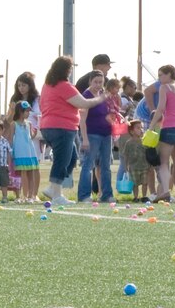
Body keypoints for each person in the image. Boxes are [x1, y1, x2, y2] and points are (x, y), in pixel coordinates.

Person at [37, 56, 107, 203]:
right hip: (62, 127)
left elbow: (44, 104)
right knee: (62, 160)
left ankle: (54, 189)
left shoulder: (47, 85)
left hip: (48, 126)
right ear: (66, 70)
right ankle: (55, 193)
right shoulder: (64, 85)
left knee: (71, 158)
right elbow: (83, 103)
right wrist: (100, 99)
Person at [146, 64, 175, 203]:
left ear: (169, 74)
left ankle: (166, 191)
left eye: (161, 74)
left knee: (164, 162)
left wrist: (151, 126)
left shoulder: (164, 88)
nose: (159, 78)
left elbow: (160, 109)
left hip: (169, 127)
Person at [76, 65, 117, 203]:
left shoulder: (104, 96)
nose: (98, 85)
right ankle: (84, 195)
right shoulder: (86, 96)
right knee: (88, 165)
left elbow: (109, 113)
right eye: (96, 82)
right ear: (90, 81)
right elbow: (82, 120)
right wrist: (85, 139)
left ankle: (107, 194)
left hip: (106, 135)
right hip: (92, 135)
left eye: (101, 82)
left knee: (105, 166)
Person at [11, 103, 40, 202]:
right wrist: (10, 152)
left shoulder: (29, 124)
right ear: (20, 111)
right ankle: (24, 195)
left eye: (29, 111)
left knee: (31, 172)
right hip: (20, 152)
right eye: (26, 111)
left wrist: (34, 134)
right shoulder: (13, 124)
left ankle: (31, 195)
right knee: (22, 173)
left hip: (30, 151)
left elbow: (30, 137)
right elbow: (11, 139)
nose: (28, 113)